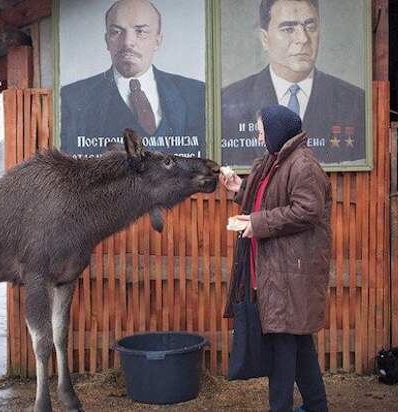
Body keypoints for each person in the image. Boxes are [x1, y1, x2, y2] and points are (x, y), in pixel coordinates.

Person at [221, 105, 331, 412]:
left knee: (282, 353)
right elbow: (266, 202)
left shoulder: (303, 166)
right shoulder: (275, 162)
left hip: (290, 274)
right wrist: (239, 188)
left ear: (277, 131)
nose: (258, 136)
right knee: (300, 348)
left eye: (261, 130)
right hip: (277, 271)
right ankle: (317, 406)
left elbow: (307, 210)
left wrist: (256, 223)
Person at [222, 0, 365, 165]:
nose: (303, 39)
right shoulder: (228, 101)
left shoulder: (355, 102)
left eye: (310, 27)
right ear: (265, 39)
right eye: (288, 29)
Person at [60, 0, 205, 157]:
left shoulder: (196, 93)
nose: (128, 42)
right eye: (116, 32)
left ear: (158, 40)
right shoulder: (72, 98)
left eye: (141, 32)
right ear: (107, 40)